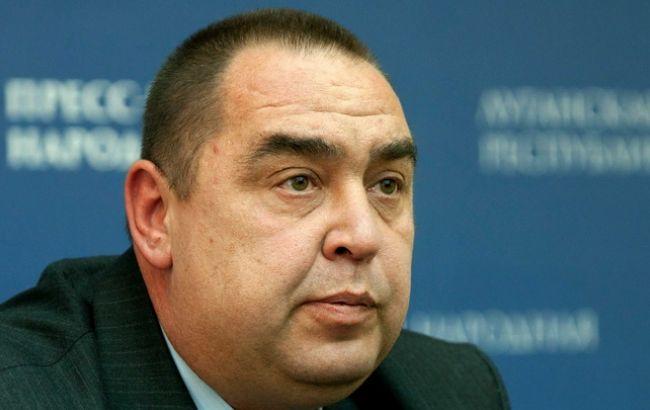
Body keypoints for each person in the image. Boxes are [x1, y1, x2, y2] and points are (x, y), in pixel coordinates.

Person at [0, 9, 509, 409]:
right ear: (157, 216)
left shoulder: (450, 391)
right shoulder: (23, 391)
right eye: (298, 182)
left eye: (387, 185)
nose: (362, 235)